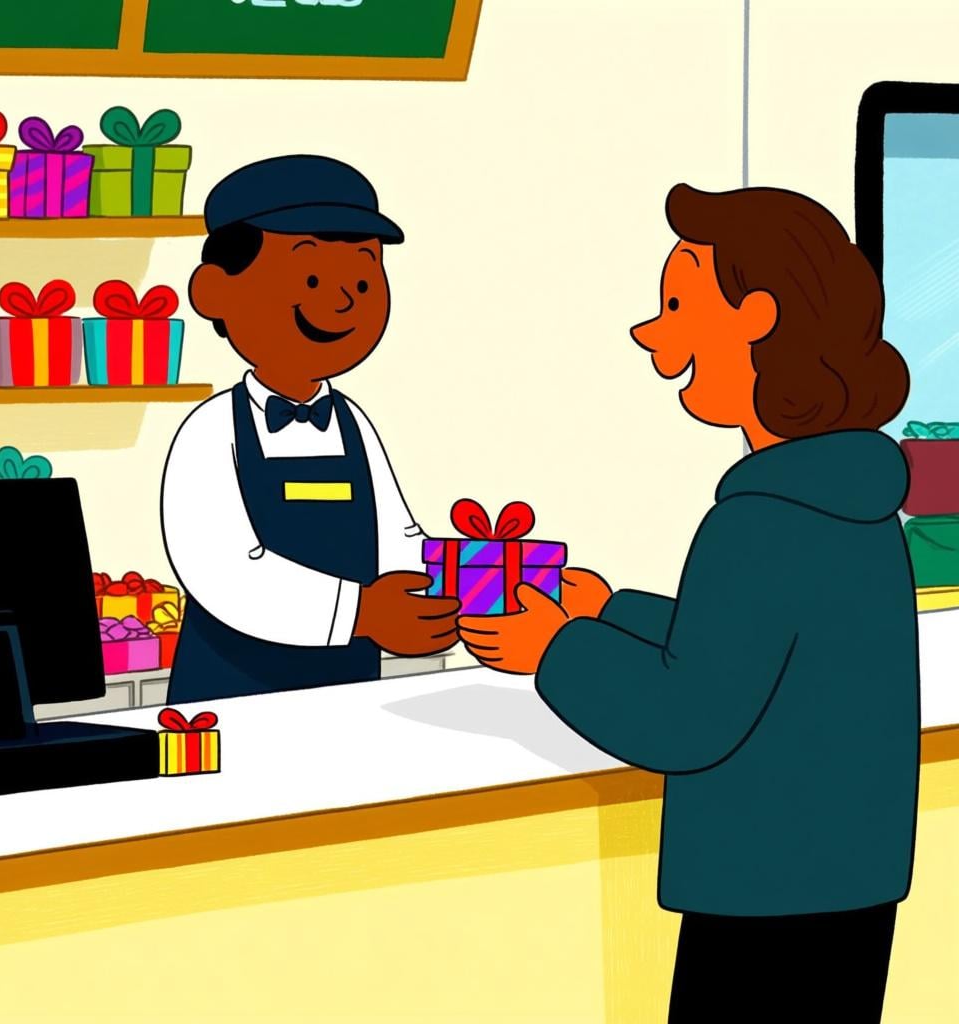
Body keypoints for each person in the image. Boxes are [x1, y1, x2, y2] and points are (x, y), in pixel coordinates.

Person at [458, 184, 919, 1023]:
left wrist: (554, 651)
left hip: (762, 894)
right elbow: (757, 653)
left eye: (677, 303)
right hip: (849, 881)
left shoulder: (760, 522)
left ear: (757, 317)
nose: (652, 330)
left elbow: (686, 718)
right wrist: (613, 611)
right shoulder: (850, 501)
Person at [162, 155, 460, 702]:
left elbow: (398, 540)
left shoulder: (354, 424)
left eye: (365, 279)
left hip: (346, 689)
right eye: (312, 276)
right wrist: (362, 612)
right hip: (230, 696)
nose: (345, 300)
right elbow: (223, 570)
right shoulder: (208, 434)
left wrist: (465, 579)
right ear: (215, 292)